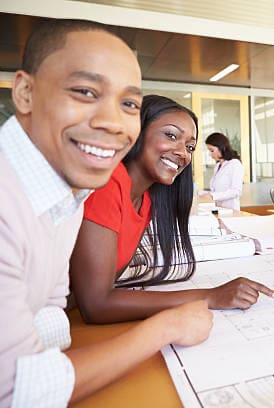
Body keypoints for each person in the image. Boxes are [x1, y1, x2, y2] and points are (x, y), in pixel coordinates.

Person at [0, 19, 213, 407]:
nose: (112, 122)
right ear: (25, 92)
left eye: (128, 103)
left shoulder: (67, 197)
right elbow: (20, 391)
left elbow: (50, 317)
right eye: (85, 91)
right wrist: (166, 326)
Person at [70, 96, 273, 324]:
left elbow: (103, 289)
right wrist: (209, 296)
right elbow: (96, 305)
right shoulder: (108, 184)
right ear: (137, 130)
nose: (183, 153)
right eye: (171, 136)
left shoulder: (145, 200)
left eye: (189, 147)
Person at [198, 132, 244, 211]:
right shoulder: (218, 165)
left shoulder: (235, 164)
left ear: (221, 148)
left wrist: (212, 196)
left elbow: (236, 191)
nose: (209, 154)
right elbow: (216, 191)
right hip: (219, 210)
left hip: (231, 212)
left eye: (212, 150)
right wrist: (201, 193)